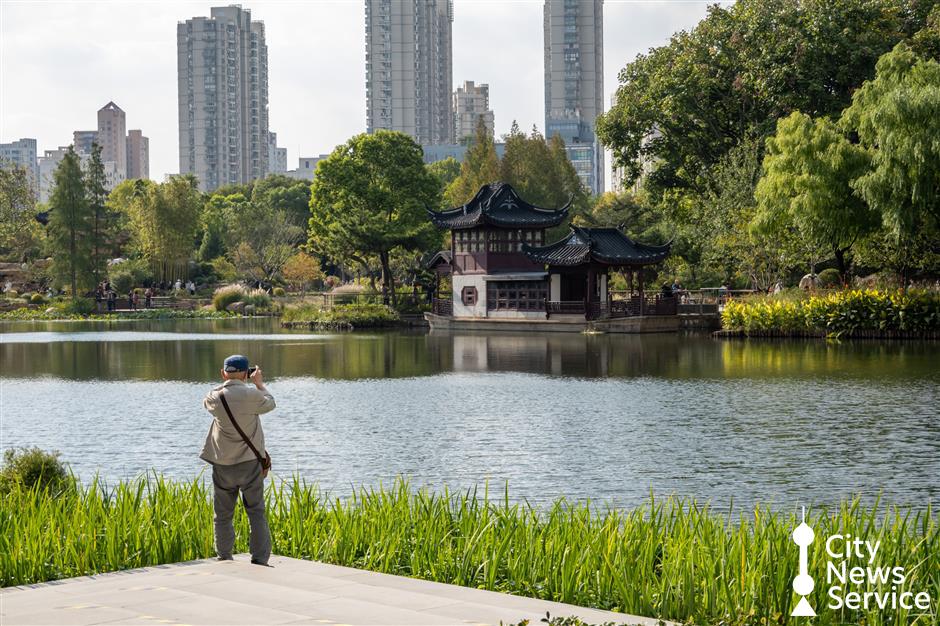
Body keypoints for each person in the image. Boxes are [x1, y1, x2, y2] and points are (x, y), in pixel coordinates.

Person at [200, 355, 276, 566]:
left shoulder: (214, 398)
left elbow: (209, 398)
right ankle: (260, 558)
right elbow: (270, 404)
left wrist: (229, 381)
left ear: (223, 373)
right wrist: (259, 383)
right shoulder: (252, 395)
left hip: (222, 464)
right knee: (256, 511)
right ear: (246, 373)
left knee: (222, 514)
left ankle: (224, 556)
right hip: (249, 463)